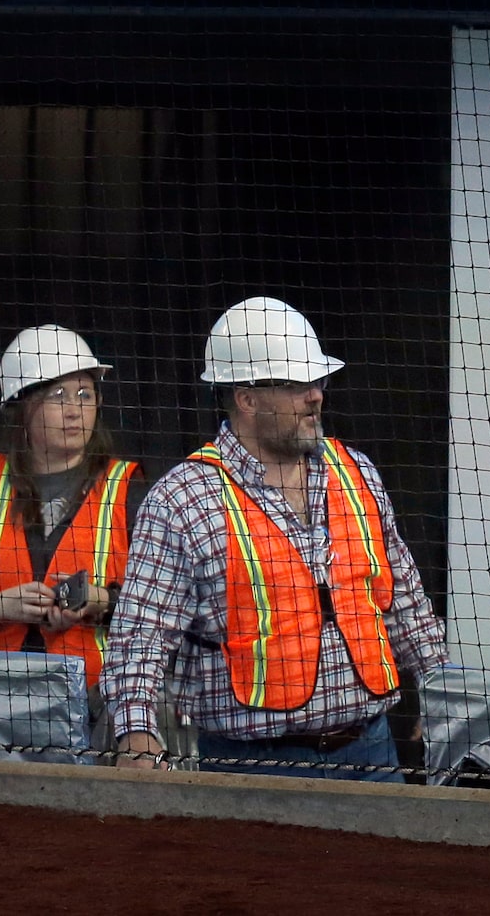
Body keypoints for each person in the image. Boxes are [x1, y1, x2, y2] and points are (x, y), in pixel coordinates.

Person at [105, 297, 443, 781]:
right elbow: (141, 634)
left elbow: (405, 600)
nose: (316, 396)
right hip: (255, 767)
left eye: (318, 381)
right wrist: (137, 736)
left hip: (372, 752)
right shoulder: (181, 500)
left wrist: (444, 697)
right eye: (299, 384)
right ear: (248, 399)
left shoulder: (356, 473)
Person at [0, 326, 143, 703]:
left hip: (100, 711)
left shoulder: (129, 491)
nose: (75, 411)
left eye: (85, 395)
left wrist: (99, 601)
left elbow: (168, 613)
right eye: (58, 396)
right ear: (22, 408)